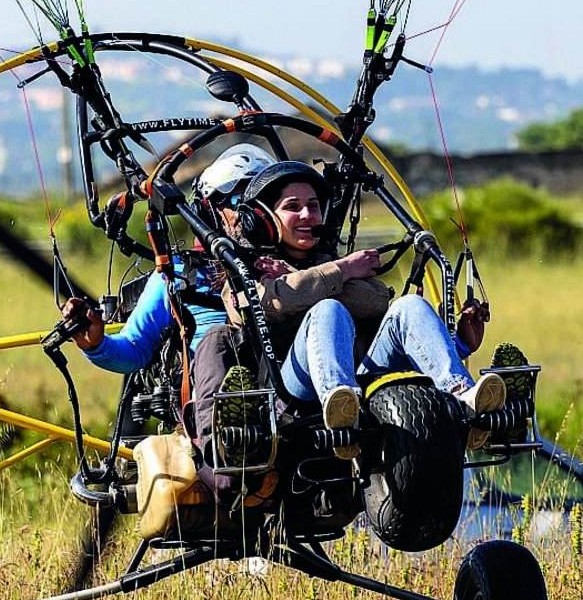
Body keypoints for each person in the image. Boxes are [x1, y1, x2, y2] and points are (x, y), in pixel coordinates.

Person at [192, 160, 504, 463]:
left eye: (313, 206)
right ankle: (340, 403)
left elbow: (376, 299)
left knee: (410, 305)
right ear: (264, 220)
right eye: (292, 207)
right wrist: (342, 271)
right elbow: (264, 304)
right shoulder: (243, 272)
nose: (306, 215)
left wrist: (301, 278)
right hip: (291, 395)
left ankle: (462, 397)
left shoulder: (326, 264)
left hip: (364, 376)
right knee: (328, 309)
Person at [60, 142, 274, 375]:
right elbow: (133, 348)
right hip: (214, 393)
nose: (253, 215)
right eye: (238, 203)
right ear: (207, 213)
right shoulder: (180, 274)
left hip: (295, 395)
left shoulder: (301, 264)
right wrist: (96, 345)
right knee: (216, 341)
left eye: (264, 203)